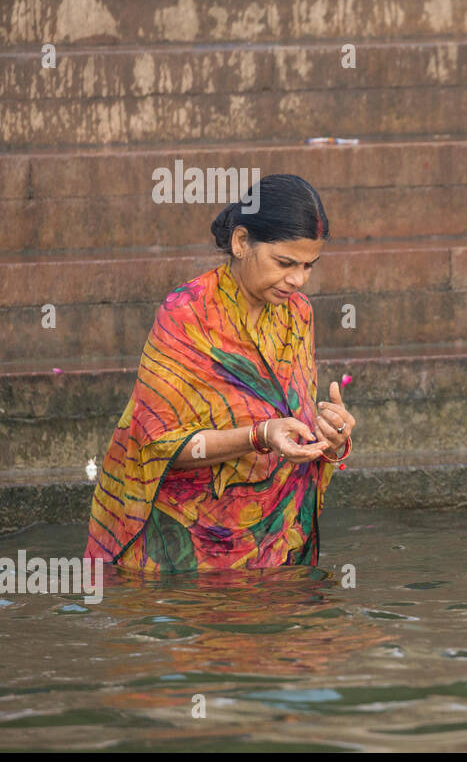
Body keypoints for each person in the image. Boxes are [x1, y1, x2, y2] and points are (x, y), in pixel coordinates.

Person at [85, 174, 356, 572]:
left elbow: (289, 420)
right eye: (284, 263)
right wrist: (259, 436)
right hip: (185, 559)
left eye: (308, 266)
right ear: (242, 242)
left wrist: (328, 437)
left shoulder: (297, 314)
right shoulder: (188, 313)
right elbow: (157, 446)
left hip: (277, 551)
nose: (298, 279)